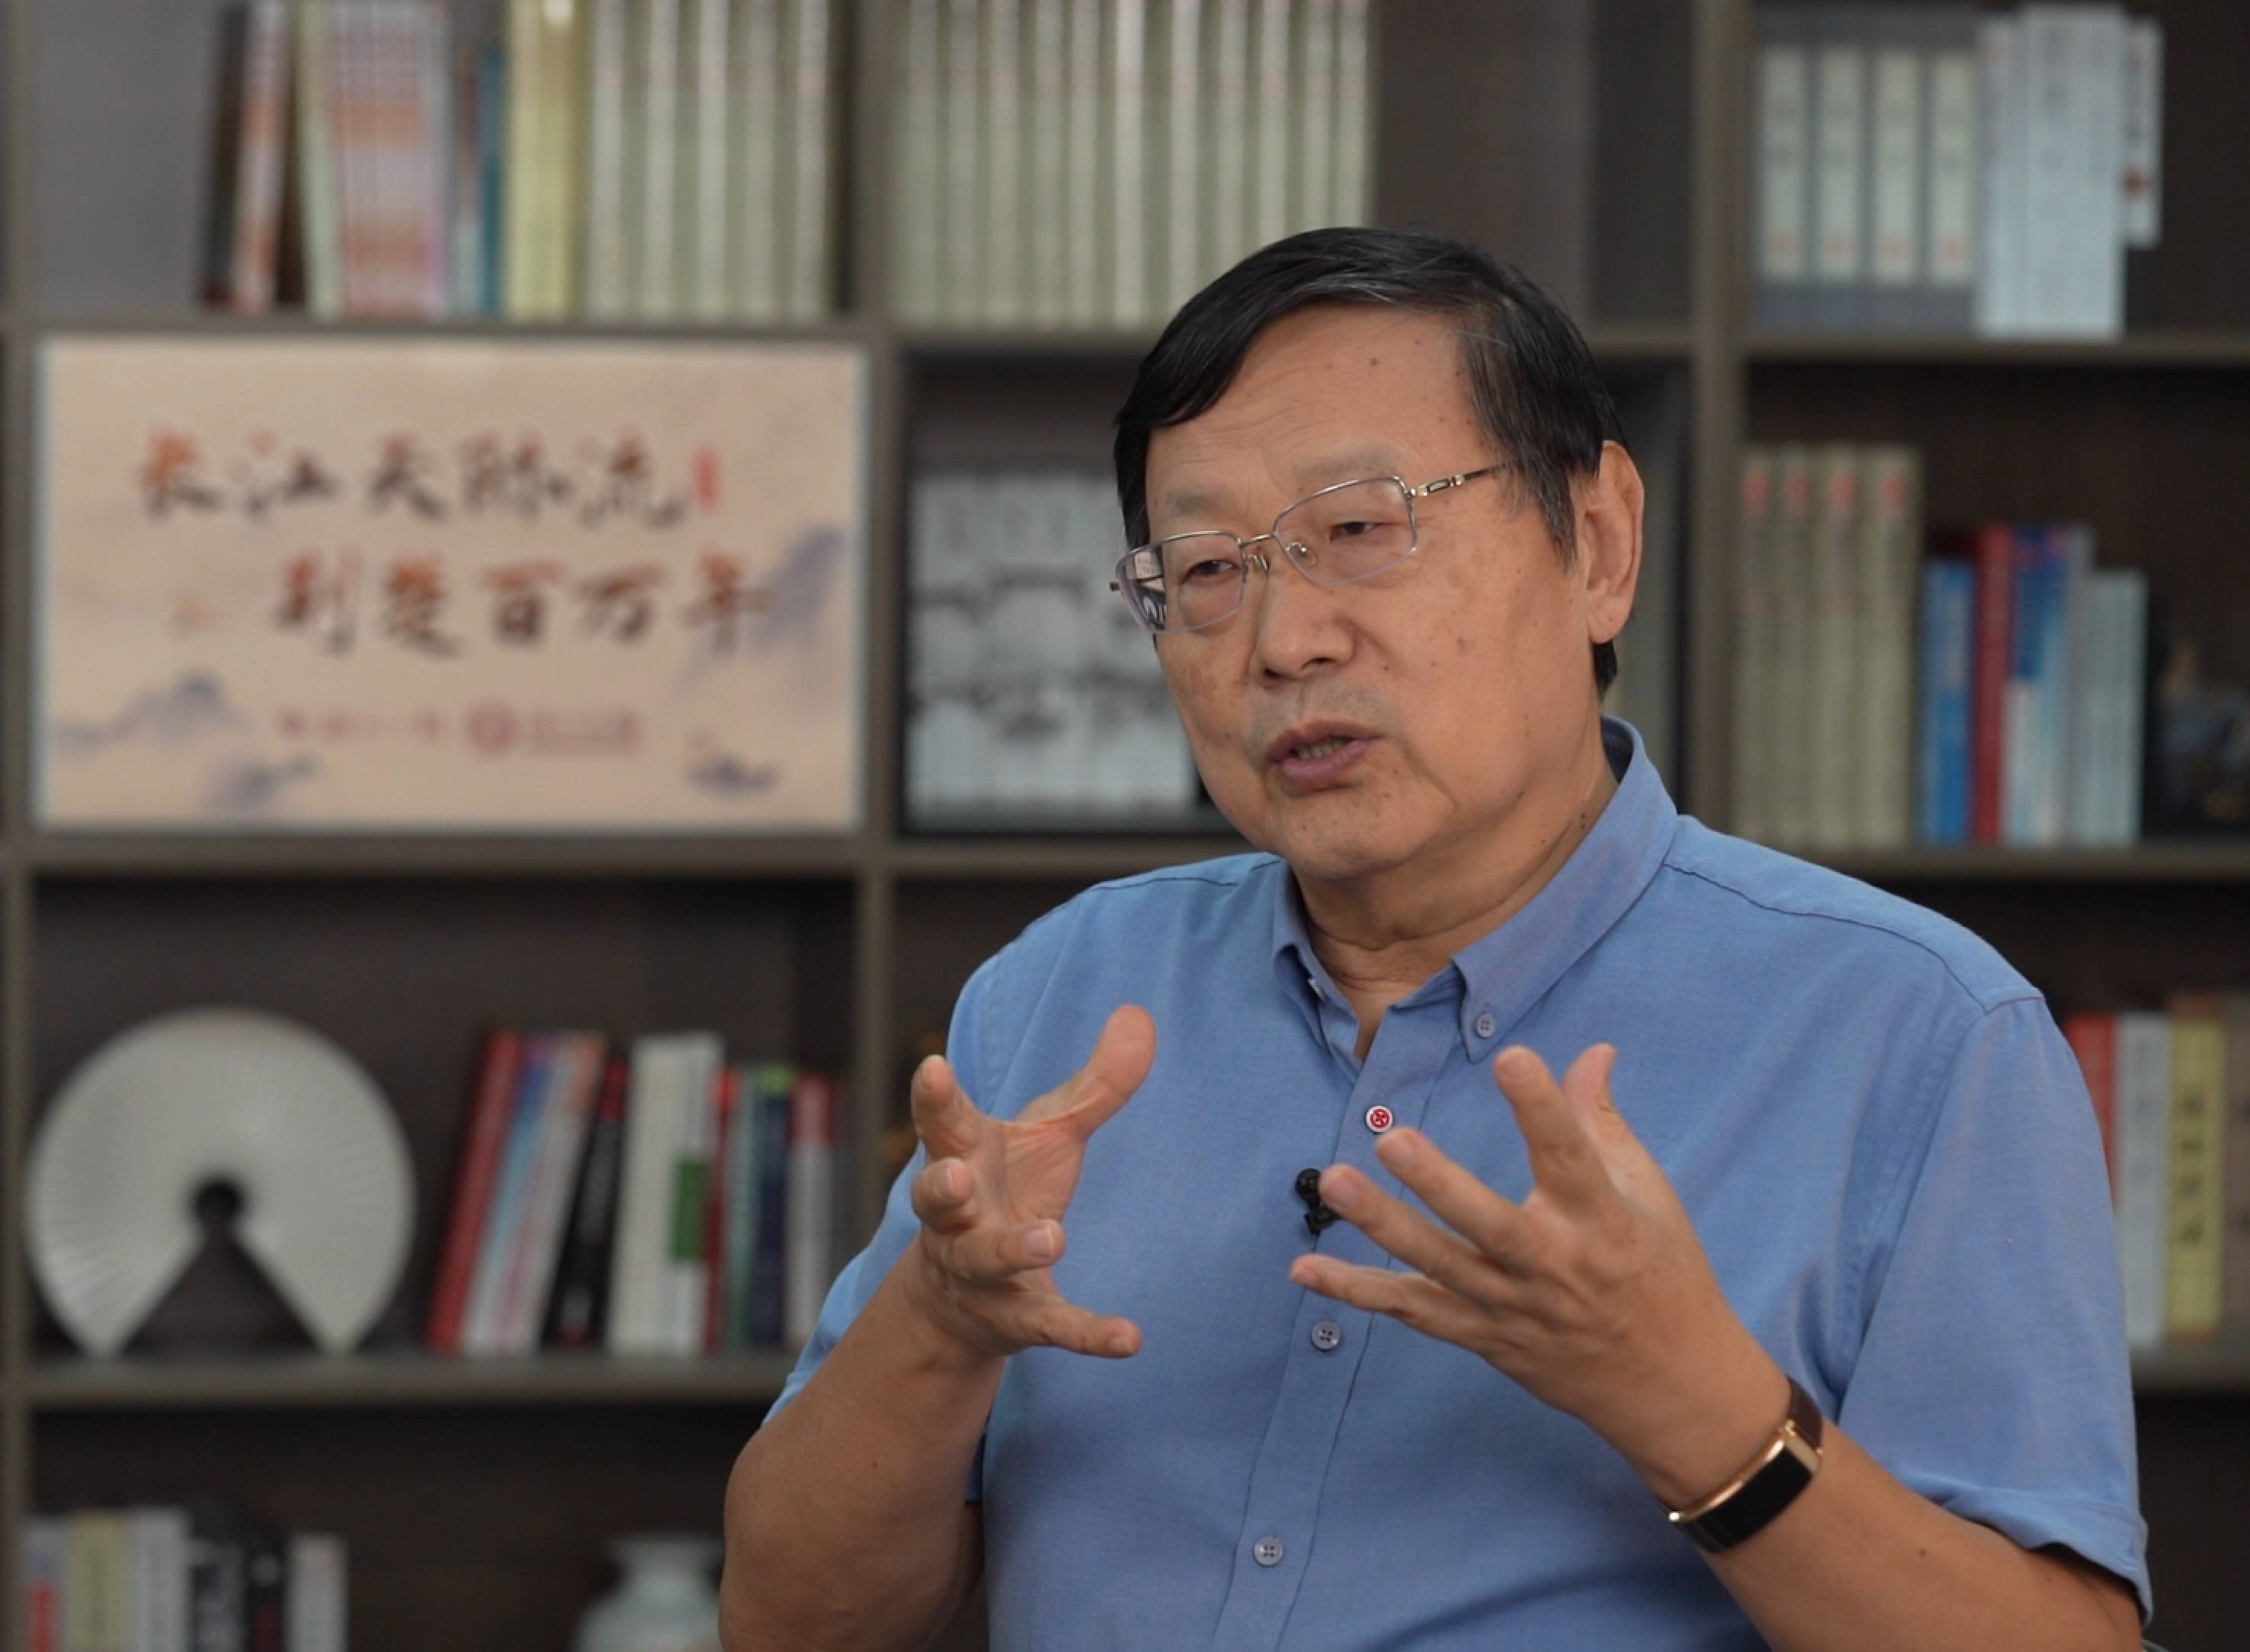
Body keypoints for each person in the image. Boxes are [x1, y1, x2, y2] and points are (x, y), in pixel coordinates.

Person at [720, 229, 2145, 1650]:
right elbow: (785, 1625)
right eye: (1207, 570)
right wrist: (941, 1322)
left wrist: (1696, 1407)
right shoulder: (1063, 995)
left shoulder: (1920, 1035)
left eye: (1359, 529)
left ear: (1599, 544)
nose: (1283, 643)